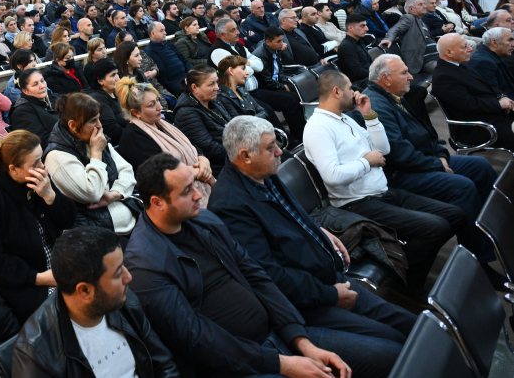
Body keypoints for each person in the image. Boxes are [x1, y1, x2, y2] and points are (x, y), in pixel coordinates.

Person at [125, 152, 398, 378]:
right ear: (157, 203)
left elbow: (257, 276)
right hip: (238, 364)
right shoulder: (146, 264)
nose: (199, 195)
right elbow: (196, 338)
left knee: (389, 356)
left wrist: (300, 341)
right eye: (187, 191)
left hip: (277, 334)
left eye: (195, 185)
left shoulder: (205, 221)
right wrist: (282, 363)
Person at [211, 115, 420, 352]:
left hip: (325, 277)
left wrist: (318, 231)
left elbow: (289, 218)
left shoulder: (261, 173)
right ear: (245, 156)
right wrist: (330, 295)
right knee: (394, 344)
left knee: (410, 325)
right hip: (309, 301)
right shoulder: (230, 205)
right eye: (271, 148)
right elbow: (270, 277)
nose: (280, 152)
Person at [302, 71, 465, 294]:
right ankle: (408, 287)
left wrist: (370, 116)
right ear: (336, 91)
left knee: (455, 215)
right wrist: (367, 162)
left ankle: (404, 260)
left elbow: (384, 149)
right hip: (357, 202)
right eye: (350, 88)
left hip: (383, 191)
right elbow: (333, 176)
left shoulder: (345, 117)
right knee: (435, 227)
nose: (355, 92)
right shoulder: (318, 127)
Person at [363, 54, 504, 286]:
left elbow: (426, 132)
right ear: (386, 79)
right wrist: (438, 164)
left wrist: (440, 154)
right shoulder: (378, 105)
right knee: (462, 187)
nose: (410, 76)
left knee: (480, 166)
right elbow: (399, 155)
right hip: (400, 175)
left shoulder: (393, 96)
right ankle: (479, 260)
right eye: (404, 73)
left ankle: (491, 230)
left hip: (424, 158)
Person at [12, 226, 180, 378]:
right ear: (85, 291)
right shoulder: (36, 351)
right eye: (117, 274)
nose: (128, 277)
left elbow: (164, 364)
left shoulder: (124, 301)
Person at [0, 131, 75, 323]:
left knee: (98, 284)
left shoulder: (39, 180)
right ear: (14, 169)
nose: (42, 167)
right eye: (35, 163)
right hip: (20, 279)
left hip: (54, 261)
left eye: (41, 159)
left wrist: (50, 197)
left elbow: (69, 220)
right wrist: (39, 278)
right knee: (71, 310)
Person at [43, 92, 137, 243]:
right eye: (93, 121)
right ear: (73, 126)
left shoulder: (93, 138)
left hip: (130, 219)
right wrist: (96, 152)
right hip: (99, 238)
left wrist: (115, 194)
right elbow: (92, 192)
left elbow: (127, 171)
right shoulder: (57, 157)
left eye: (99, 118)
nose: (100, 126)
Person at [431, 32, 514, 150]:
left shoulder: (459, 65)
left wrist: (501, 96)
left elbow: (488, 84)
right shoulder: (444, 77)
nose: (470, 49)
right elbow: (469, 105)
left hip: (493, 117)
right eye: (464, 47)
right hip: (481, 128)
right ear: (449, 52)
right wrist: (498, 105)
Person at [173, 66, 235, 174]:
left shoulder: (211, 100)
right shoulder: (187, 113)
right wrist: (240, 153)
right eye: (211, 84)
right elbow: (211, 149)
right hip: (219, 166)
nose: (217, 88)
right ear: (194, 87)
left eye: (217, 82)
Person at [251, 27, 307, 142]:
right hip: (266, 88)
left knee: (298, 92)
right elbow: (266, 81)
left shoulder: (275, 49)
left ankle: (305, 127)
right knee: (291, 99)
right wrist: (281, 86)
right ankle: (299, 134)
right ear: (268, 42)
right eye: (279, 41)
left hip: (275, 82)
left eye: (282, 40)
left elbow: (279, 70)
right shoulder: (260, 55)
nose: (282, 44)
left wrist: (284, 81)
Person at [215, 55, 280, 127]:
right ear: (230, 71)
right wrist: (257, 118)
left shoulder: (242, 90)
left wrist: (251, 119)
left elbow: (264, 111)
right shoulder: (222, 96)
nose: (247, 72)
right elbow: (238, 125)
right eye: (243, 69)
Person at [379, 0, 437, 74]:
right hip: (424, 61)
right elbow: (396, 28)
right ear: (411, 9)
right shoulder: (408, 18)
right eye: (420, 4)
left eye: (424, 4)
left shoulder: (420, 21)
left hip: (437, 57)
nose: (425, 6)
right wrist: (388, 38)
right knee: (451, 69)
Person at [9, 68, 59, 147]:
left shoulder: (55, 97)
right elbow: (41, 142)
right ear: (25, 91)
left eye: (42, 81)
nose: (42, 86)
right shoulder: (21, 112)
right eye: (35, 84)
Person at [468, 26, 514, 96]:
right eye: (509, 40)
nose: (513, 44)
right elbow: (494, 94)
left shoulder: (494, 56)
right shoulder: (483, 62)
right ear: (494, 43)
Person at [145, 22, 188, 95]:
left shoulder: (170, 44)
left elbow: (183, 59)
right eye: (161, 31)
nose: (165, 33)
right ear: (153, 34)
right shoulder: (149, 51)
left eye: (164, 30)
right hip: (172, 81)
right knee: (193, 89)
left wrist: (192, 70)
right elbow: (157, 72)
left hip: (185, 74)